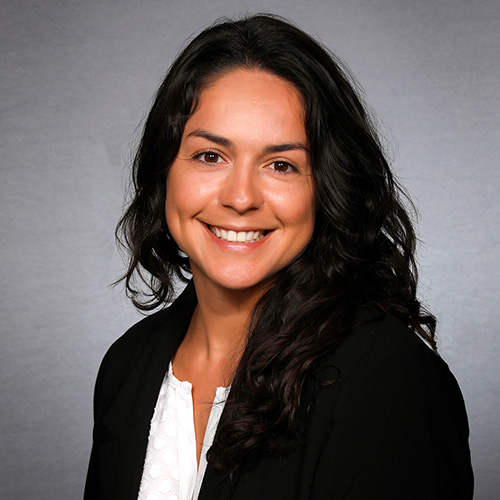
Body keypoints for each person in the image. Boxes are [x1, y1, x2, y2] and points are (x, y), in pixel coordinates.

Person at [84, 14, 473, 500]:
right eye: (210, 156)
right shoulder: (128, 365)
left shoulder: (388, 381)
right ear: (165, 170)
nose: (241, 197)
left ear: (326, 189)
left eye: (281, 165)